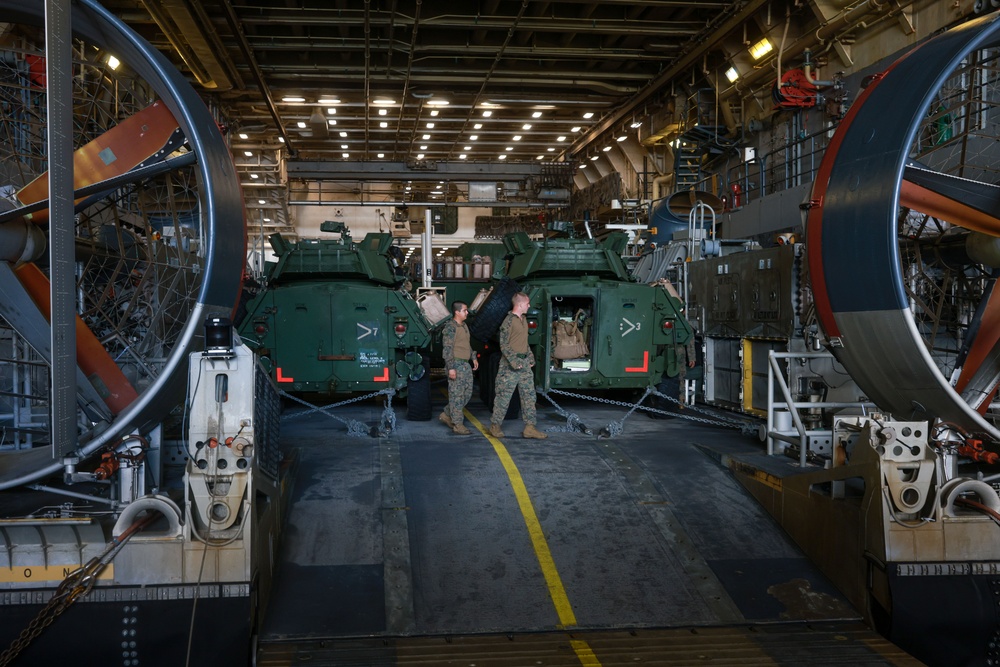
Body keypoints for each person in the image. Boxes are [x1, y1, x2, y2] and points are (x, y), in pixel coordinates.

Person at [489, 292, 547, 439]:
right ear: (520, 305)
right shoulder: (508, 321)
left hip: (525, 365)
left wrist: (530, 357)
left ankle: (529, 428)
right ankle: (495, 426)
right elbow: (504, 344)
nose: (529, 306)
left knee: (529, 397)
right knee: (503, 397)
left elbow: (524, 342)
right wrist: (514, 362)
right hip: (510, 366)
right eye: (527, 303)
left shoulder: (523, 319)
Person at [439, 301, 478, 435]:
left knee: (466, 394)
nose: (467, 312)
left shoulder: (464, 326)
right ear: (457, 312)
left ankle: (446, 414)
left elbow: (466, 344)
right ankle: (457, 424)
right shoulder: (450, 327)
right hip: (455, 364)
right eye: (465, 310)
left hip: (465, 364)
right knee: (456, 396)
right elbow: (447, 349)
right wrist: (451, 368)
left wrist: (473, 357)